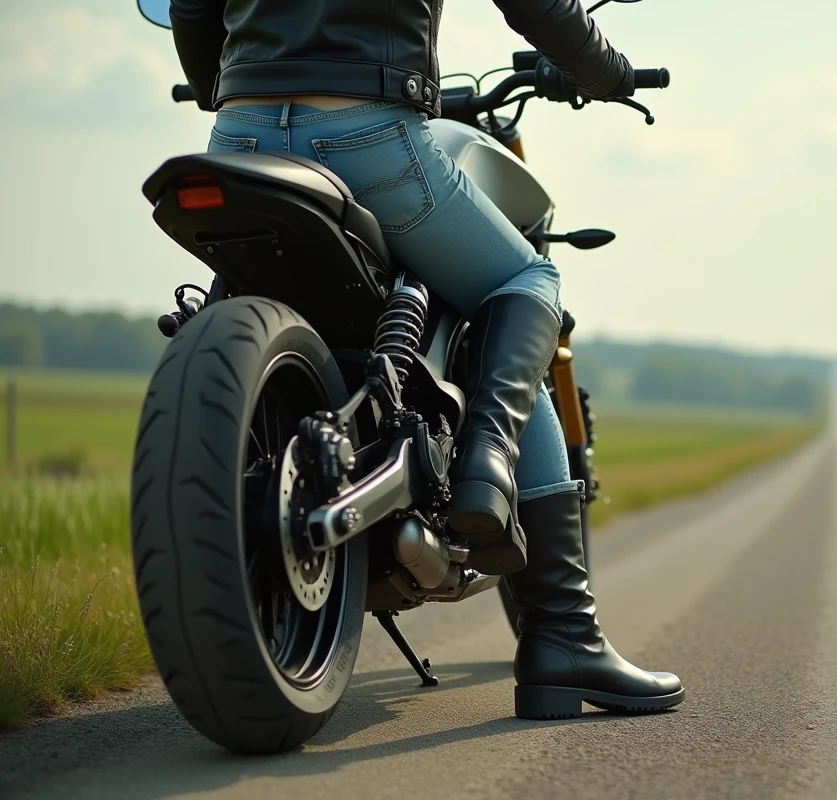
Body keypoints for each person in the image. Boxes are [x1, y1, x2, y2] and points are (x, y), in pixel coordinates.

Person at [166, 0, 683, 719]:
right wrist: (610, 71)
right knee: (525, 281)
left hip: (239, 133)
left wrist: (228, 80)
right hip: (366, 134)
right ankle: (541, 587)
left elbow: (194, 7)